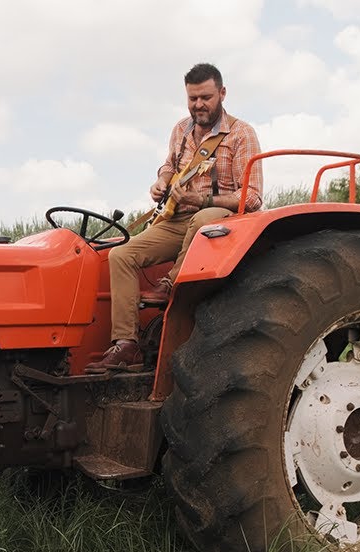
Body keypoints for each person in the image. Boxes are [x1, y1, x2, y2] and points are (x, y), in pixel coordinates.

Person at [86, 62, 263, 373]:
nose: (199, 105)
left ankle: (172, 283)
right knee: (121, 255)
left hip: (223, 221)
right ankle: (126, 343)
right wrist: (160, 183)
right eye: (193, 98)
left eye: (206, 97)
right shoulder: (181, 129)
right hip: (178, 220)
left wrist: (201, 199)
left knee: (202, 218)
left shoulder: (241, 134)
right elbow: (169, 167)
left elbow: (251, 198)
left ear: (222, 94)